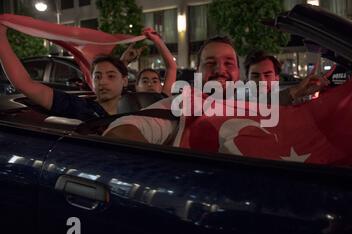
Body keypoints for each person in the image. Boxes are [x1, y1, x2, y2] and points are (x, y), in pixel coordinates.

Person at [103, 36, 329, 144]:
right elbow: (122, 132)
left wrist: (298, 92)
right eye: (210, 63)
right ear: (198, 71)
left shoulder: (247, 103)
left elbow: (270, 103)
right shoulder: (183, 104)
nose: (220, 70)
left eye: (229, 63)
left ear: (239, 74)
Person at [0, 24, 130, 120]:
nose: (102, 82)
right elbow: (25, 84)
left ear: (125, 81)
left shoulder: (136, 107)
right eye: (97, 77)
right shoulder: (79, 107)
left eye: (111, 76)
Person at [120, 28, 177, 97]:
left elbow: (172, 67)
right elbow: (118, 81)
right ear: (136, 86)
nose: (150, 84)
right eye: (145, 81)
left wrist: (157, 40)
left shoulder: (163, 98)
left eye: (155, 81)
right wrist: (124, 61)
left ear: (161, 86)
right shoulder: (129, 101)